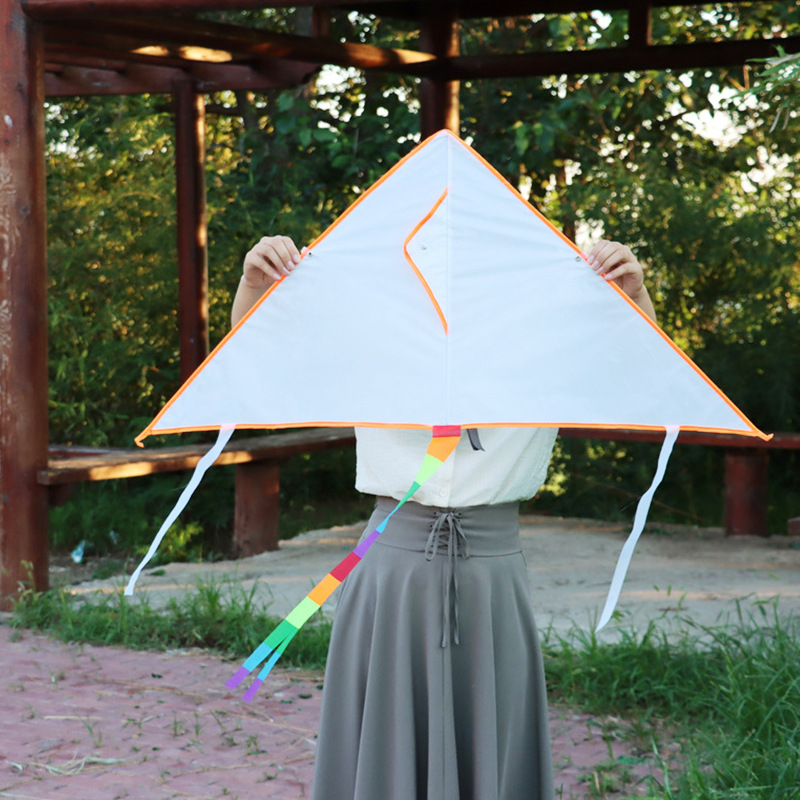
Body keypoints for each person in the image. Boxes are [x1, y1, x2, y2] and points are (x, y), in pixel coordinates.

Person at [232, 235, 656, 800]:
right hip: (391, 577)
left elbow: (642, 377)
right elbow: (261, 363)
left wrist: (634, 297)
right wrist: (254, 287)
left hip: (492, 579)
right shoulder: (372, 315)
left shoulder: (550, 323)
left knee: (492, 750)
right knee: (384, 755)